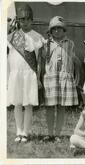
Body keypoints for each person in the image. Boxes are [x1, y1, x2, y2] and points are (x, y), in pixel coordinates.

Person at [7, 4, 45, 142]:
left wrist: (38, 77)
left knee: (28, 103)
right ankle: (18, 131)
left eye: (28, 19)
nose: (25, 22)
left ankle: (26, 133)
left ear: (32, 20)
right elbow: (8, 58)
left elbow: (39, 61)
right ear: (18, 20)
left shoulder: (38, 37)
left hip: (30, 74)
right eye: (22, 19)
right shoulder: (11, 37)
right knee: (17, 103)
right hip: (16, 74)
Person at [43, 16, 78, 142]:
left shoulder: (70, 44)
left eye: (60, 28)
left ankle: (58, 133)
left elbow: (73, 62)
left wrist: (74, 76)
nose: (57, 31)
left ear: (64, 30)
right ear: (50, 31)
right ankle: (50, 133)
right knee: (50, 106)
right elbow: (43, 62)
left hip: (64, 77)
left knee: (62, 107)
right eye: (54, 29)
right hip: (51, 78)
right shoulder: (46, 44)